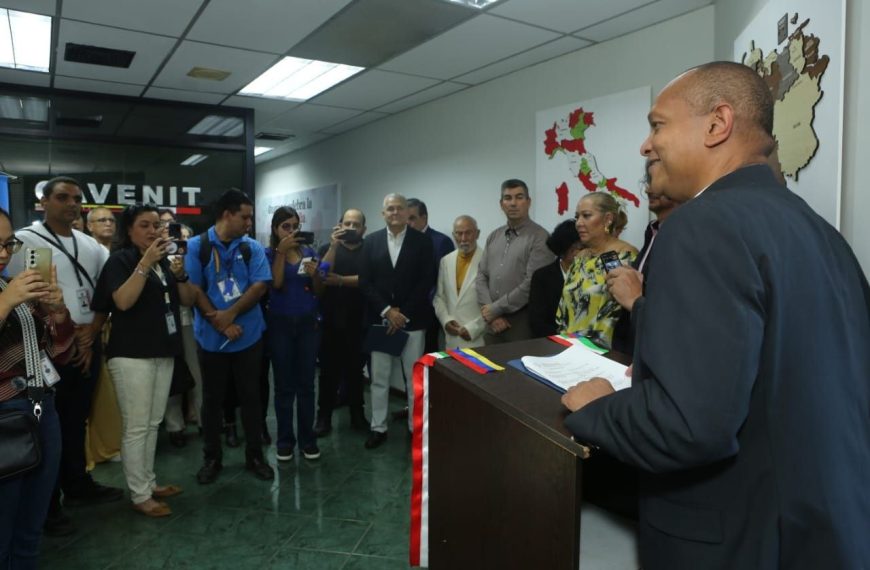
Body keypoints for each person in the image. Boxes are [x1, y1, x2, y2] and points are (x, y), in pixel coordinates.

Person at [562, 61, 870, 569]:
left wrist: (597, 408)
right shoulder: (821, 233)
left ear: (717, 124)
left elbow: (687, 426)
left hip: (735, 542)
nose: (646, 145)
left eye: (658, 124)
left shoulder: (702, 226)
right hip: (819, 534)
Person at [6, 177, 121, 536]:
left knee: (75, 419)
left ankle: (77, 482)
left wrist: (90, 332)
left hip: (84, 336)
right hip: (40, 348)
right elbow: (29, 295)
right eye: (62, 197)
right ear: (43, 201)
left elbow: (108, 290)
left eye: (76, 199)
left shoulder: (90, 245)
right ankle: (48, 503)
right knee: (42, 427)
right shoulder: (24, 241)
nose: (70, 204)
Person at [91, 204, 196, 517]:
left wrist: (181, 274)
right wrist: (145, 264)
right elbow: (121, 302)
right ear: (129, 230)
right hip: (131, 355)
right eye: (144, 225)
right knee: (137, 427)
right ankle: (139, 494)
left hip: (162, 350)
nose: (153, 231)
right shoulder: (119, 261)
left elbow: (187, 300)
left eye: (156, 226)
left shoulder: (164, 262)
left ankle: (149, 483)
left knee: (152, 423)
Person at [0, 207, 75, 568]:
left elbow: (60, 351)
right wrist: (6, 303)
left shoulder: (7, 284)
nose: (4, 254)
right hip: (5, 419)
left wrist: (56, 310)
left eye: (8, 244)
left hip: (41, 407)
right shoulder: (7, 292)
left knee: (31, 528)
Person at [185, 189, 273, 484]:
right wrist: (221, 324)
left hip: (248, 338)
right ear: (227, 214)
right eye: (245, 216)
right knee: (212, 401)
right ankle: (212, 458)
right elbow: (194, 290)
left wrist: (231, 314)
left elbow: (260, 285)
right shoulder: (197, 246)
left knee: (251, 397)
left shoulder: (251, 248)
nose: (250, 222)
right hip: (211, 340)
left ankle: (255, 456)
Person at [359, 193, 434, 449]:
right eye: (389, 209)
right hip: (381, 321)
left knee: (413, 379)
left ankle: (415, 429)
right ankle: (378, 427)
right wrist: (387, 311)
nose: (394, 213)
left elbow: (426, 281)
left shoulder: (422, 242)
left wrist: (401, 313)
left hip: (412, 321)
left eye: (399, 208)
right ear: (383, 214)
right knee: (378, 378)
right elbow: (365, 282)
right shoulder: (370, 242)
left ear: (406, 212)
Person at [266, 206, 324, 461]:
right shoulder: (268, 253)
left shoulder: (309, 252)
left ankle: (307, 440)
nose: (291, 231)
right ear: (276, 230)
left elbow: (319, 290)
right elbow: (276, 283)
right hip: (279, 324)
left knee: (307, 385)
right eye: (285, 227)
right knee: (283, 386)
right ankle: (285, 440)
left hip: (307, 323)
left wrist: (316, 276)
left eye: (294, 226)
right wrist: (282, 250)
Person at [555, 192, 637, 349]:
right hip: (569, 349)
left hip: (604, 355)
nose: (579, 223)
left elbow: (617, 311)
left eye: (586, 216)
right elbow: (564, 308)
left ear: (608, 219)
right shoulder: (580, 258)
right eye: (577, 217)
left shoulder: (621, 257)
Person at [476, 179, 553, 344]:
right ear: (501, 204)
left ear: (528, 202)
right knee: (488, 368)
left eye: (519, 197)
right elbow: (482, 275)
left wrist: (496, 309)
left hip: (521, 325)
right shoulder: (493, 236)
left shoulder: (540, 237)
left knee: (516, 368)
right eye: (508, 198)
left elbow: (532, 283)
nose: (513, 203)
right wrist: (491, 312)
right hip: (491, 324)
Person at [315, 208, 368, 436]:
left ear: (364, 229)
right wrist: (334, 246)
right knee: (328, 372)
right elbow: (322, 276)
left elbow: (370, 281)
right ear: (340, 225)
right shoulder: (327, 249)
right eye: (347, 223)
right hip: (331, 321)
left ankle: (358, 415)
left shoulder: (370, 250)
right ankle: (323, 417)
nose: (351, 228)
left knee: (356, 372)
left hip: (360, 321)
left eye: (356, 224)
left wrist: (342, 281)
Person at [163, 224, 203, 448]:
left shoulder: (191, 257)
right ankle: (174, 426)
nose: (180, 242)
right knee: (170, 375)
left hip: (188, 319)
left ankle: (203, 420)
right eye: (176, 238)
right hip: (164, 322)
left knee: (196, 374)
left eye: (185, 238)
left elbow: (193, 291)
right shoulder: (155, 256)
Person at [407, 198, 454, 355]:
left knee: (426, 358)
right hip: (402, 312)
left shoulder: (441, 242)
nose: (407, 223)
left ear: (424, 218)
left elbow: (442, 281)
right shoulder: (401, 242)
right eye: (405, 218)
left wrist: (422, 302)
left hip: (428, 312)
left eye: (412, 218)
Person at [432, 215, 486, 349]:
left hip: (479, 339)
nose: (463, 239)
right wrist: (446, 320)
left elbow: (494, 303)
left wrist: (474, 328)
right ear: (453, 235)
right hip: (451, 339)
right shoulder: (446, 261)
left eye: (468, 233)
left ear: (477, 234)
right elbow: (439, 297)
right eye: (459, 233)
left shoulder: (488, 260)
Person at [527, 220, 582, 338]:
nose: (580, 253)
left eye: (582, 247)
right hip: (552, 342)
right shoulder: (542, 276)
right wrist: (564, 339)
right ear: (562, 251)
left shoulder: (593, 273)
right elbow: (538, 322)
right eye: (575, 248)